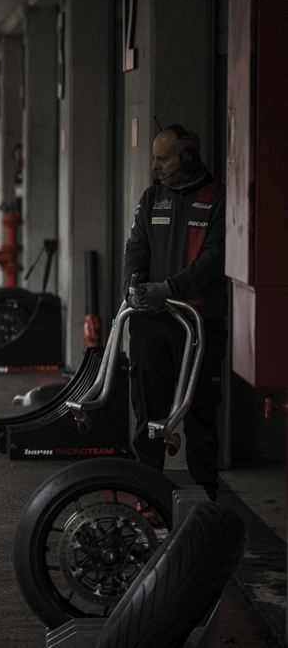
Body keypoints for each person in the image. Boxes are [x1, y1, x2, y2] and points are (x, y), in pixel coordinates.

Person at [122, 125, 227, 501]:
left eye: (162, 158)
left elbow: (216, 259)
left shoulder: (218, 199)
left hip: (200, 325)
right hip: (152, 323)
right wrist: (133, 287)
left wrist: (170, 288)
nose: (155, 165)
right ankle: (145, 492)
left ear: (187, 156)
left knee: (200, 410)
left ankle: (206, 492)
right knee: (148, 409)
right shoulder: (152, 198)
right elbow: (136, 247)